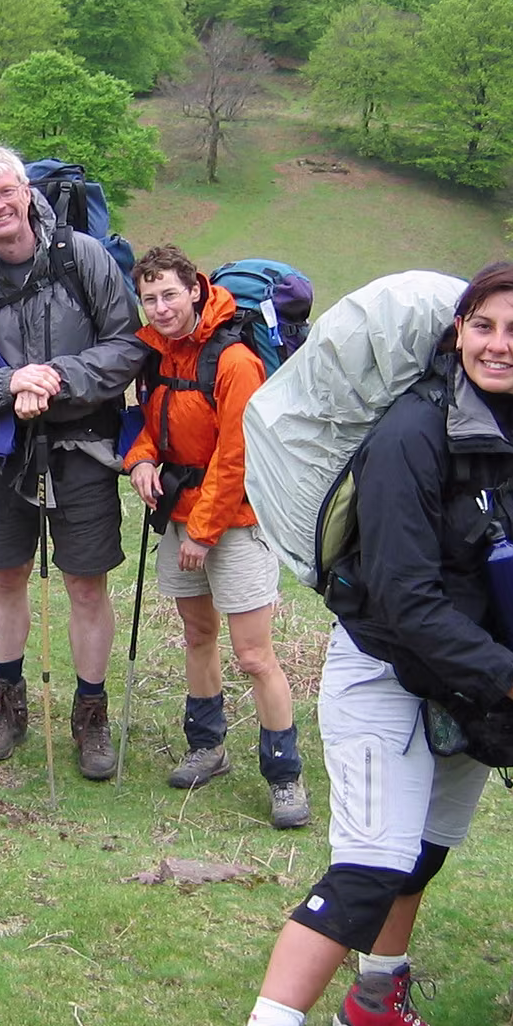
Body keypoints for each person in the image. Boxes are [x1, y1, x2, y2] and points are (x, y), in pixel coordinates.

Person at [198, 262, 513, 1026]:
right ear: (459, 332)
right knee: (371, 867)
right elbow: (404, 597)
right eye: (484, 326)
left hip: (484, 680)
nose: (499, 345)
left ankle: (375, 1001)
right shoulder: (414, 433)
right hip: (387, 669)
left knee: (425, 850)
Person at [0, 145, 145, 779]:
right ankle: (6, 705)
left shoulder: (84, 257)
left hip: (84, 445)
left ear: (26, 193)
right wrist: (9, 384)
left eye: (5, 192)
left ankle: (91, 715)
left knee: (85, 582)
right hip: (2, 448)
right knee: (6, 574)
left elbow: (128, 344)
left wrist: (55, 379)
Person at [122, 246, 310, 830]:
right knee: (198, 635)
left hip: (237, 524)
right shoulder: (157, 355)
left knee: (254, 655)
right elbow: (153, 425)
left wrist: (203, 533)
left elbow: (238, 454)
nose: (160, 308)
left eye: (169, 295)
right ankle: (207, 747)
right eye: (150, 299)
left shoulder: (234, 360)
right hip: (181, 515)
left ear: (194, 290)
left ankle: (285, 775)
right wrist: (140, 460)